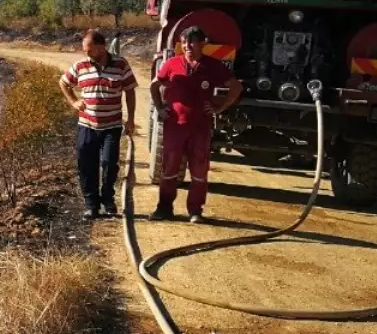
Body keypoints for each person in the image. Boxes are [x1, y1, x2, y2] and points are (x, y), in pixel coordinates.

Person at [149, 26, 244, 222]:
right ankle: (164, 208)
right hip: (174, 127)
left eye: (191, 42)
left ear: (202, 44)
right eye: (184, 42)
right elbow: (154, 85)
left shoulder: (214, 66)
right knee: (169, 169)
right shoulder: (172, 64)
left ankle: (195, 210)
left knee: (199, 170)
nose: (187, 46)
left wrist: (219, 108)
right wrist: (160, 108)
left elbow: (236, 87)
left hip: (200, 128)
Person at [60, 29, 137, 219]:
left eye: (89, 50)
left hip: (111, 125)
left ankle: (108, 200)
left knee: (109, 163)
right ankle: (91, 203)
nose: (86, 53)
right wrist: (74, 101)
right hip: (87, 125)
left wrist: (132, 120)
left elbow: (130, 91)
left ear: (101, 47)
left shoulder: (120, 64)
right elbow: (63, 82)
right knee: (86, 164)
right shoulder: (80, 65)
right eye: (85, 50)